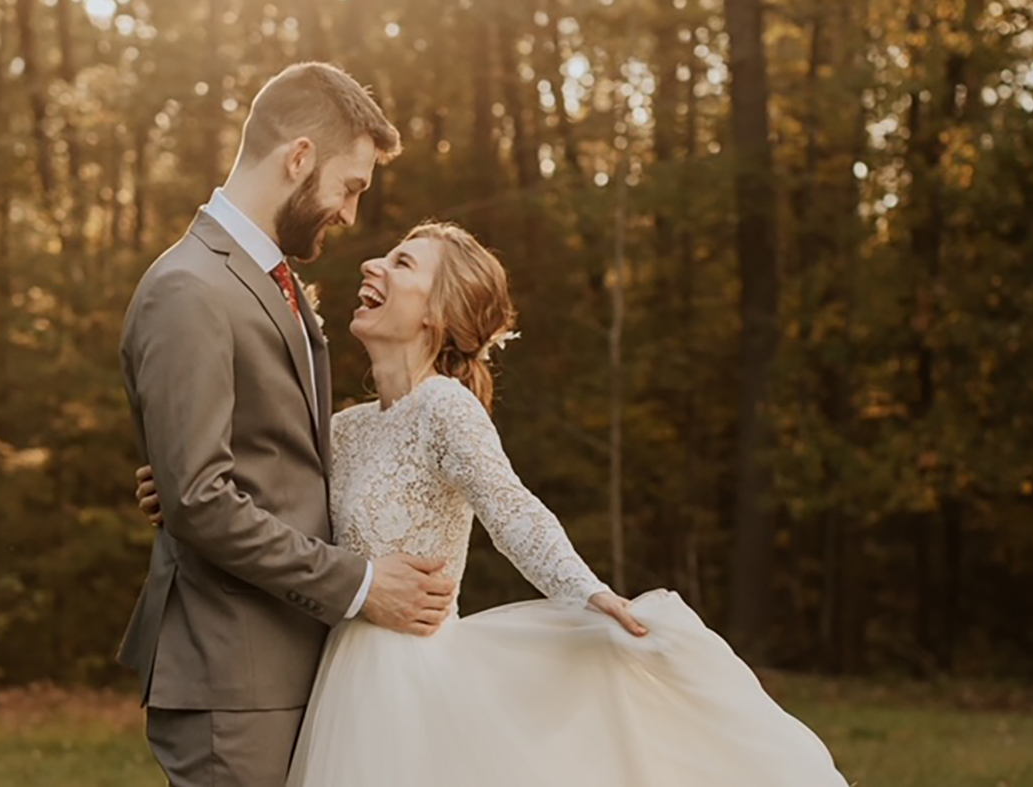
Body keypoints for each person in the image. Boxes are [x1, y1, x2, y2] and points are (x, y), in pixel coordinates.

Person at [136, 222, 851, 786]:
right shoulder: (344, 427)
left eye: (403, 264)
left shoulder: (445, 408)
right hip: (342, 682)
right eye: (384, 256)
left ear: (438, 315)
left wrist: (589, 591)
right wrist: (179, 486)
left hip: (416, 686)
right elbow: (272, 501)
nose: (371, 268)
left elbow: (515, 511)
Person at [116, 62, 458, 787]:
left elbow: (264, 458)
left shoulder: (268, 279)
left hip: (295, 662)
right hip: (236, 679)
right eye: (351, 186)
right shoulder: (190, 289)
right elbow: (202, 500)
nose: (350, 214)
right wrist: (362, 583)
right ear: (299, 157)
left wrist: (182, 487)